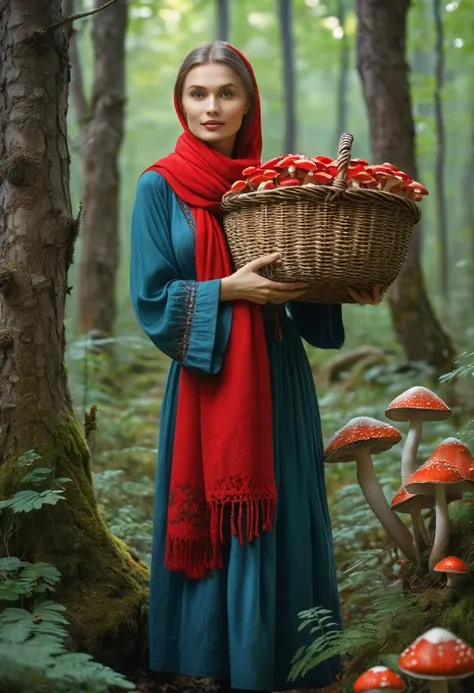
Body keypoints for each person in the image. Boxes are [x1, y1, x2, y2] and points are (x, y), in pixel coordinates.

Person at [130, 41, 384, 693]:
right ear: (180, 101)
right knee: (215, 515)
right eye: (197, 93)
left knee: (282, 510)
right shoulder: (158, 186)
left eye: (226, 92)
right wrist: (227, 290)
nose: (211, 106)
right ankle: (207, 659)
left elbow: (301, 280)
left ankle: (289, 661)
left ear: (249, 103)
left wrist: (339, 285)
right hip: (205, 380)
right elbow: (151, 297)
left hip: (276, 377)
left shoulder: (272, 187)